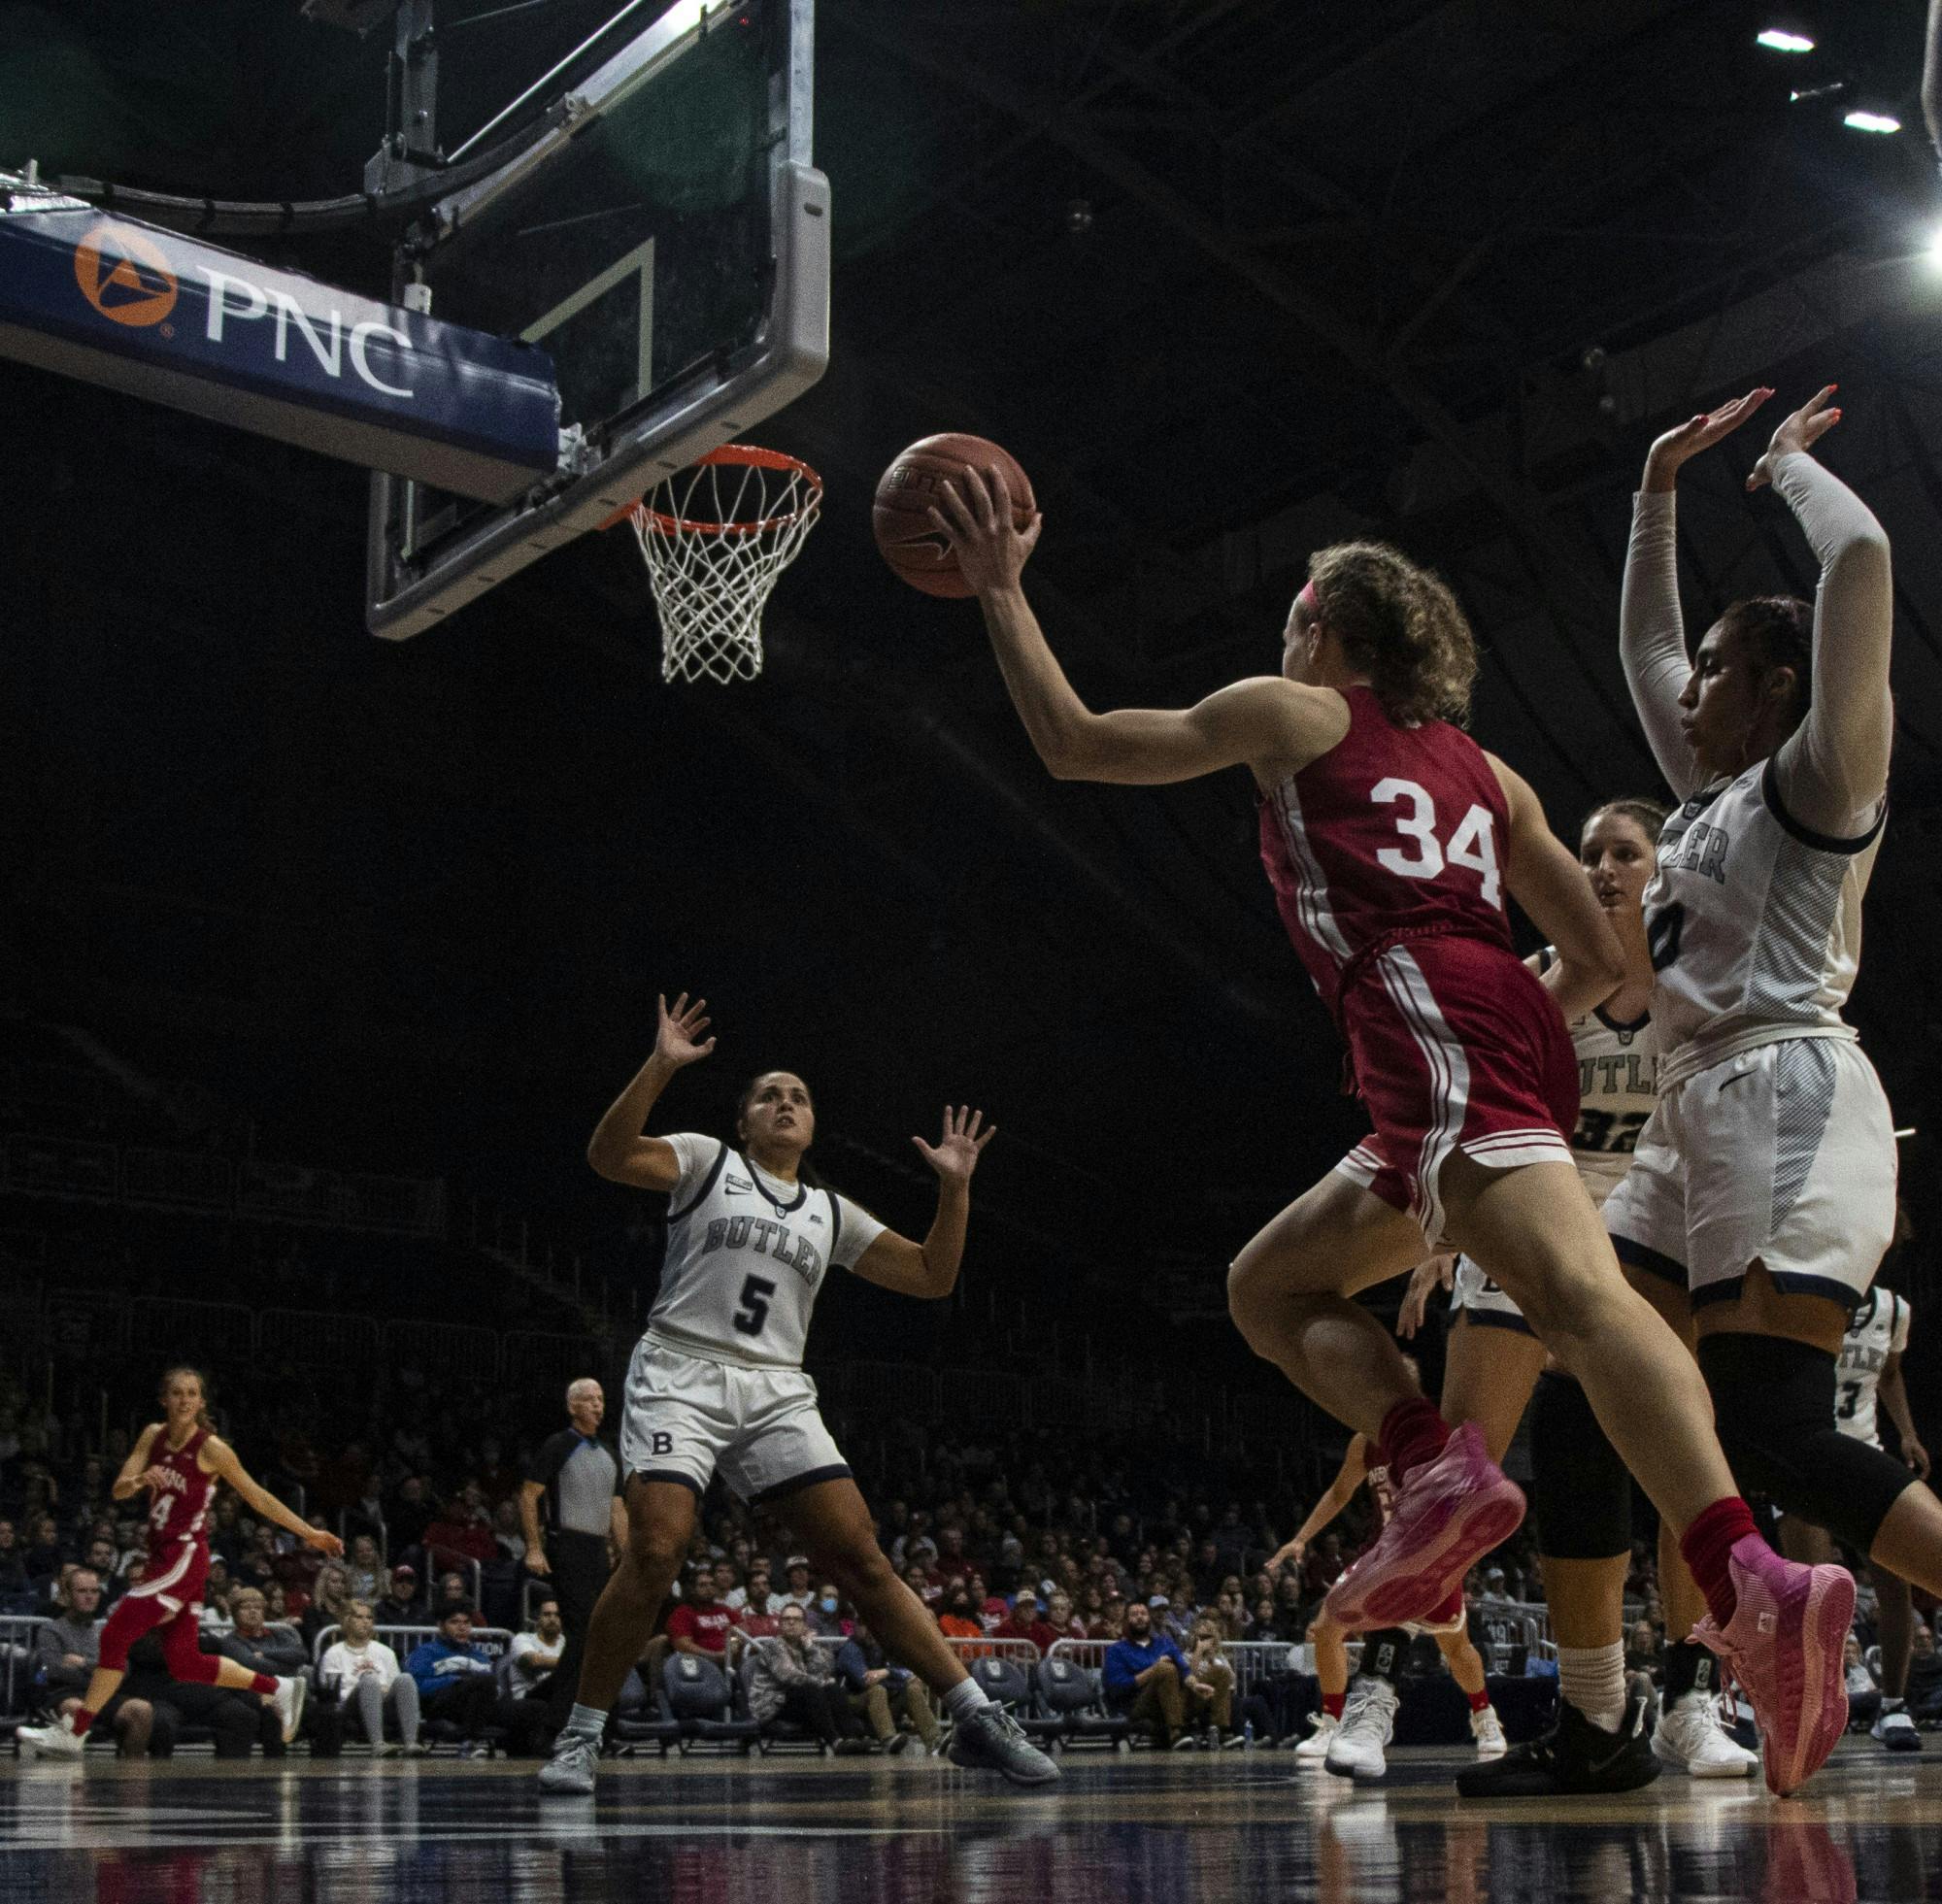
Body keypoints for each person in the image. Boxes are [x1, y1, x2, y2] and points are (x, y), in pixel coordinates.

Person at [936, 468, 1845, 1796]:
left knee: (1579, 1300)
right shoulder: (1493, 772)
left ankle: (1744, 1576)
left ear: (1326, 624)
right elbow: (1603, 960)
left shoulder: (1297, 712)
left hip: (1425, 1013)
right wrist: (1496, 1016)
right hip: (1472, 1023)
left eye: (1297, 611)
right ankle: (1435, 1470)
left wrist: (1004, 592)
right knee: (1270, 1282)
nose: (1285, 633)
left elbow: (1074, 742)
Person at [1497, 384, 1917, 1799]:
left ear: (1781, 688)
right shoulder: (1704, 796)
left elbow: (1858, 572)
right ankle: (1608, 1717)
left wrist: (1791, 469)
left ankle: (1749, 1634)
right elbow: (1644, 646)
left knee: (1776, 1430)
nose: (1690, 691)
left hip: (1790, 1097)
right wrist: (1655, 492)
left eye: (1721, 670)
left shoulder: (1822, 768)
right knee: (1585, 1366)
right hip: (1692, 1113)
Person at [537, 999, 1055, 1792]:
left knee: (860, 1555)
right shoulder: (706, 1160)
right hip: (682, 1369)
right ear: (744, 1120)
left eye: (799, 1097)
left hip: (777, 1387)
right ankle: (580, 1734)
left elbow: (931, 1275)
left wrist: (954, 1191)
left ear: (811, 1127)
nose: (785, 1102)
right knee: (657, 1547)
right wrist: (663, 1065)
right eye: (768, 1094)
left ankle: (976, 1715)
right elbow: (608, 1154)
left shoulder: (829, 1210)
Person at [1395, 799, 1758, 1785]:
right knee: (1459, 1465)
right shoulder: (1535, 982)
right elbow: (1458, 1108)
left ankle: (1686, 1699)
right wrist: (1434, 1234)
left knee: (1678, 1470)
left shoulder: (1699, 988)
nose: (1600, 867)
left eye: (1622, 852)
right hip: (1538, 1224)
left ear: (1661, 869)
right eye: (1587, 851)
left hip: (1652, 1234)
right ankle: (1383, 1687)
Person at [16, 1366, 336, 1762]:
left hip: (185, 1556)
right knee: (185, 1662)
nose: (184, 1400)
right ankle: (277, 1688)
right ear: (164, 1399)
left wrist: (310, 1533)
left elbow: (258, 1497)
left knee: (115, 1633)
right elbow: (119, 1489)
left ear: (201, 1402)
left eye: (192, 1394)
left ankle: (75, 1732)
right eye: (177, 1393)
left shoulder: (212, 1448)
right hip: (159, 1556)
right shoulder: (152, 1435)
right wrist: (140, 1480)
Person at [1269, 1431, 1504, 1779]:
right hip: (1382, 1554)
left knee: (1456, 1648)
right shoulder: (1364, 1443)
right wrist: (1301, 1538)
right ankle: (1332, 1724)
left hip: (1430, 1558)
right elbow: (1339, 1493)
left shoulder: (1431, 1437)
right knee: (1326, 1627)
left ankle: (1485, 1717)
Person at [1780, 1262, 1930, 1754]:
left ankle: (1892, 1705)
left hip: (1866, 1451)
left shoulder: (1893, 1308)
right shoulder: (1811, 1293)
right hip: (1806, 1453)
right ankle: (1817, 1705)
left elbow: (1889, 1374)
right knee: (1816, 1591)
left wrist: (1906, 1433)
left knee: (1896, 1586)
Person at [520, 1377, 626, 1734]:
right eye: (589, 1399)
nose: (598, 1405)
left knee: (598, 1637)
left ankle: (567, 1713)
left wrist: (626, 1555)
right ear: (572, 1407)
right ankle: (558, 1725)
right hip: (567, 1544)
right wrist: (534, 1547)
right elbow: (528, 1495)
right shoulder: (559, 1444)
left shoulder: (611, 1454)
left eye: (601, 1398)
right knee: (583, 1633)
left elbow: (617, 1510)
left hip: (598, 1549)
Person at [746, 1600, 869, 1752]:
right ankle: (835, 1742)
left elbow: (824, 1671)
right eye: (786, 1619)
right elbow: (789, 1676)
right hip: (771, 1706)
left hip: (796, 1702)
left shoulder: (804, 1646)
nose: (791, 1622)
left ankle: (851, 1738)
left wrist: (811, 1648)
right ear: (780, 1624)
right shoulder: (774, 1646)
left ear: (805, 1625)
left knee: (833, 1689)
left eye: (796, 1619)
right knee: (811, 1688)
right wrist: (821, 1682)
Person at [319, 1599, 420, 1754]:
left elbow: (395, 1683)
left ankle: (411, 1743)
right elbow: (334, 1693)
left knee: (405, 1678)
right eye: (359, 1617)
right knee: (369, 1680)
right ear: (347, 1620)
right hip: (351, 1705)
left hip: (384, 1703)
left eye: (369, 1618)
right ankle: (378, 1744)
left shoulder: (385, 1652)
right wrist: (370, 1687)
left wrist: (383, 1690)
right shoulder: (334, 1653)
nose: (365, 1622)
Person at [836, 1617, 943, 1754]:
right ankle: (888, 1739)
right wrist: (895, 1677)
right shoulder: (850, 1649)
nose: (870, 1631)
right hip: (854, 1700)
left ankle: (934, 1740)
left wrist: (886, 1672)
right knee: (877, 1690)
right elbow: (865, 1681)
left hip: (882, 1700)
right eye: (864, 1626)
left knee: (912, 1689)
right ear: (855, 1628)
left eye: (873, 1626)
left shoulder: (881, 1647)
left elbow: (908, 1673)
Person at [404, 1605, 501, 1752]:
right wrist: (455, 1680)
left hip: (480, 1705)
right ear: (441, 1626)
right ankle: (470, 1741)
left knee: (534, 1708)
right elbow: (416, 1686)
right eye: (455, 1622)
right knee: (483, 1680)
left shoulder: (480, 1657)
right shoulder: (426, 1652)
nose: (462, 1627)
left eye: (466, 1623)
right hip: (441, 1704)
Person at [1102, 1597, 1194, 1749]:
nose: (1140, 1617)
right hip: (1137, 1703)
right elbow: (1116, 1688)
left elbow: (1184, 1668)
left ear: (1149, 1618)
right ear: (1126, 1620)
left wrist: (1195, 1683)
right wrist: (1153, 1671)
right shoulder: (1116, 1650)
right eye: (1134, 1614)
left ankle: (1222, 1732)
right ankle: (1175, 1732)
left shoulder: (1164, 1643)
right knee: (1165, 1669)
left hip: (1170, 1697)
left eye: (1143, 1613)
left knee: (1217, 1672)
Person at [508, 1596, 567, 1696]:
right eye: (547, 1615)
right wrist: (570, 1664)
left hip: (556, 1697)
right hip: (527, 1699)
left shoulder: (565, 1641)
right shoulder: (522, 1639)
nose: (552, 1619)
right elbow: (535, 1661)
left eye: (557, 1615)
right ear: (538, 1619)